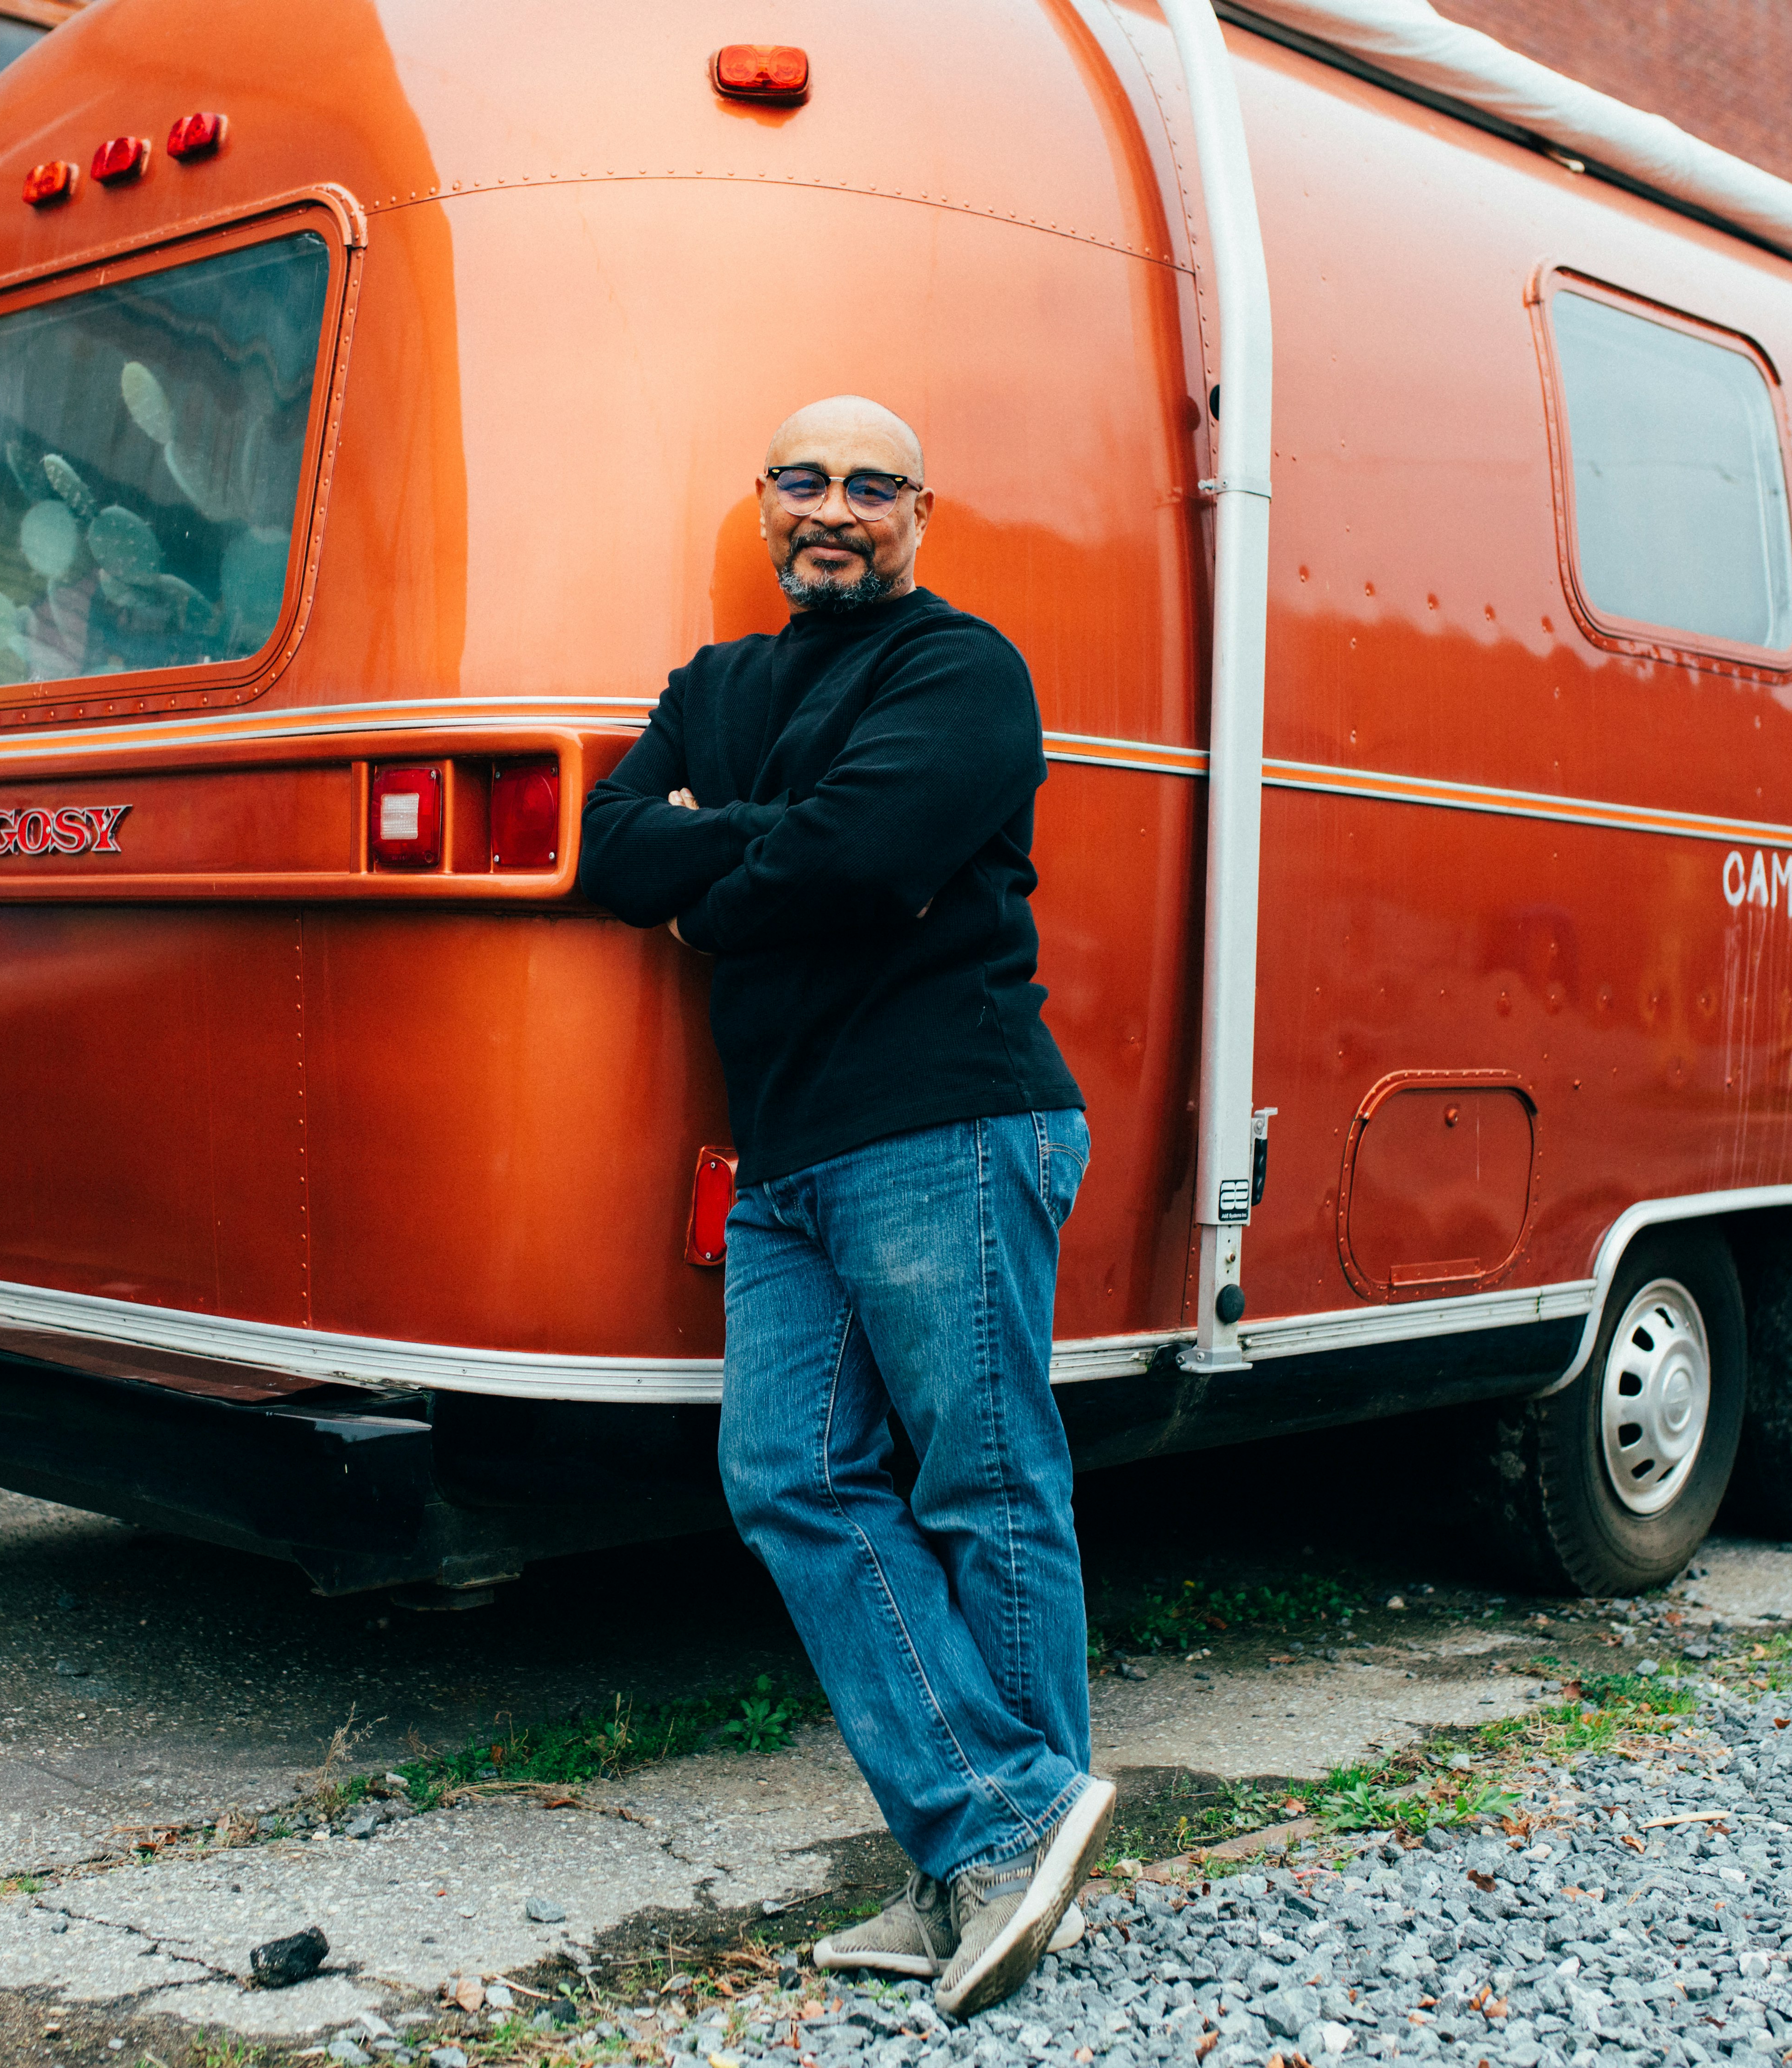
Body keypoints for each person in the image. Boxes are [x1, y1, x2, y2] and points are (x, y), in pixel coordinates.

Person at [577, 396, 1107, 2020]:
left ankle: (993, 1870)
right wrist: (762, 864)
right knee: (787, 1477)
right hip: (791, 1150)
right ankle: (991, 1843)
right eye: (804, 480)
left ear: (919, 514)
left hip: (948, 1116)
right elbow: (610, 847)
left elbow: (864, 860)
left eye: (870, 486)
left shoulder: (961, 670)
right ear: (763, 505)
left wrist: (716, 878)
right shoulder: (715, 687)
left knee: (982, 1479)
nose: (834, 508)